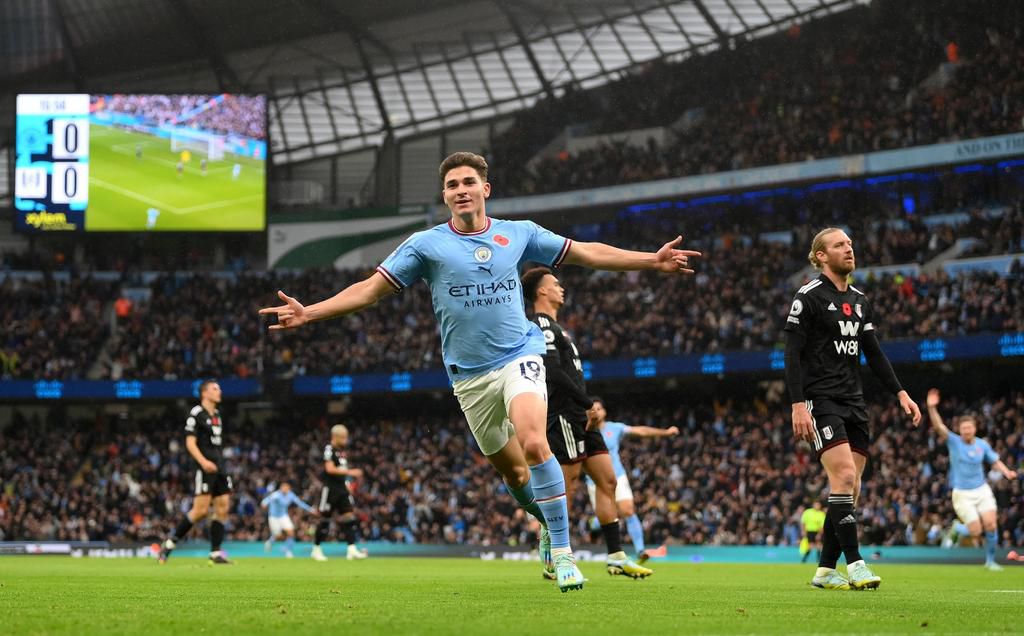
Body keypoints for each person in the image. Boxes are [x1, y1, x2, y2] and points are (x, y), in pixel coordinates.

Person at [259, 151, 700, 592]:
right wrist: (310, 313)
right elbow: (370, 290)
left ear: (485, 189)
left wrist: (650, 260)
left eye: (468, 182)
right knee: (513, 475)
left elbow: (586, 252)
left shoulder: (519, 234)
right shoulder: (425, 245)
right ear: (445, 196)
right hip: (469, 377)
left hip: (519, 354)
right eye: (452, 185)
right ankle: (546, 523)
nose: (460, 190)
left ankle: (564, 555)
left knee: (533, 440)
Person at [784, 227, 921, 590]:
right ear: (821, 256)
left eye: (849, 242)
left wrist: (901, 393)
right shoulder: (808, 296)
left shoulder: (860, 300)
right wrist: (798, 403)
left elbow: (873, 353)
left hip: (854, 401)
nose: (849, 248)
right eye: (839, 245)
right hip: (820, 399)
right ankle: (856, 564)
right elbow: (791, 354)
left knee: (850, 488)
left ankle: (825, 570)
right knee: (844, 477)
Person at [521, 267, 652, 579]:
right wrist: (586, 403)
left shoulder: (560, 328)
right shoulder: (539, 325)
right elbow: (552, 373)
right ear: (541, 292)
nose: (561, 288)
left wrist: (590, 407)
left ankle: (617, 556)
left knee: (607, 480)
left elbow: (569, 375)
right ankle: (552, 551)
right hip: (563, 415)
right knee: (564, 489)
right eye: (555, 284)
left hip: (582, 415)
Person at [925, 388, 1018, 570]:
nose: (967, 430)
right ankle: (957, 529)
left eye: (969, 428)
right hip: (962, 493)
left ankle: (990, 562)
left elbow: (995, 461)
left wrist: (1007, 472)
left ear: (974, 428)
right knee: (976, 531)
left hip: (981, 489)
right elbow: (939, 427)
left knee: (991, 524)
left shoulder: (982, 445)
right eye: (963, 428)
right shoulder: (954, 441)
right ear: (960, 429)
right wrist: (931, 408)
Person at [584, 397, 678, 561]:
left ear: (604, 412)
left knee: (627, 510)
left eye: (599, 409)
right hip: (595, 480)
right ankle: (595, 525)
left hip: (617, 476)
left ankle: (641, 551)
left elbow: (640, 431)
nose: (596, 412)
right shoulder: (583, 431)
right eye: (592, 409)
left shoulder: (615, 428)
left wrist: (665, 432)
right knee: (608, 516)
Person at [159, 379, 232, 564]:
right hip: (205, 466)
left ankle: (215, 552)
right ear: (205, 393)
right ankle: (170, 543)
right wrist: (203, 462)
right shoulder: (196, 413)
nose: (220, 392)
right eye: (216, 389)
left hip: (219, 466)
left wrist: (218, 463)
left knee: (223, 506)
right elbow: (190, 443)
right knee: (200, 510)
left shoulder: (217, 414)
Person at [312, 425, 368, 562]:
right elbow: (329, 469)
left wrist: (347, 483)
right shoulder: (329, 449)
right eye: (343, 437)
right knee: (325, 520)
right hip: (330, 489)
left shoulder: (341, 451)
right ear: (335, 436)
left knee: (349, 516)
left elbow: (340, 471)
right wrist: (351, 472)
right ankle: (316, 549)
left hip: (342, 489)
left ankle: (351, 549)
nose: (345, 439)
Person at [261, 482, 316, 559]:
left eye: (287, 488)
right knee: (278, 536)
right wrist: (264, 503)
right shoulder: (276, 495)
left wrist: (310, 509)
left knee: (291, 532)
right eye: (283, 487)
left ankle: (288, 551)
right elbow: (266, 500)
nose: (285, 489)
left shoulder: (290, 495)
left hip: (283, 516)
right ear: (280, 488)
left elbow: (300, 503)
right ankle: (270, 542)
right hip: (273, 517)